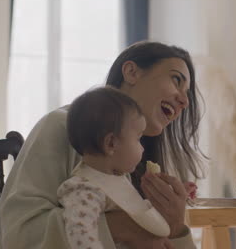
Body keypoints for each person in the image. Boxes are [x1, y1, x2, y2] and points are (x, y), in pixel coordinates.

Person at [0, 41, 205, 249]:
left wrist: (176, 227)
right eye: (176, 80)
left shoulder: (136, 159)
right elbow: (18, 235)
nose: (185, 101)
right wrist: (123, 227)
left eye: (187, 92)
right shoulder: (61, 125)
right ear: (132, 72)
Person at [59, 86, 172, 249]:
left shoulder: (117, 178)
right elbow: (80, 236)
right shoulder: (86, 189)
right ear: (111, 143)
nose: (142, 148)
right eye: (138, 139)